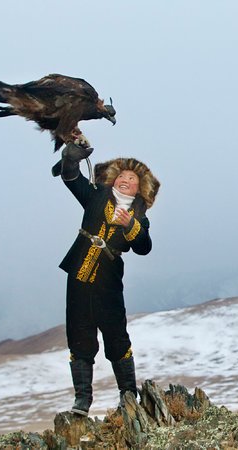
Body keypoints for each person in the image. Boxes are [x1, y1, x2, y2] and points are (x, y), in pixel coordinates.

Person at [56, 143, 160, 416]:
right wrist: (70, 160)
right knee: (79, 334)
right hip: (79, 276)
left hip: (109, 281)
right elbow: (72, 180)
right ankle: (82, 399)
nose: (125, 179)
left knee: (116, 335)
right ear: (113, 179)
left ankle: (128, 395)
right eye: (122, 175)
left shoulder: (139, 215)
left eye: (132, 179)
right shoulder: (96, 195)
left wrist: (130, 226)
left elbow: (144, 247)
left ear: (139, 188)